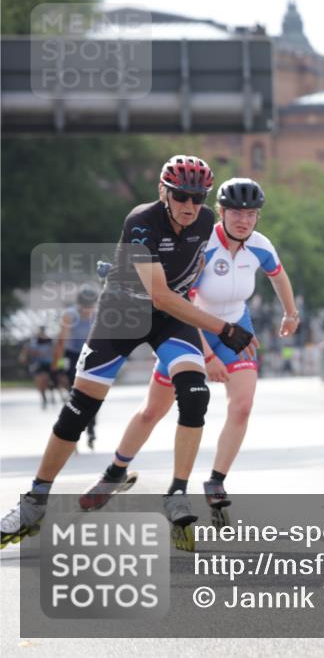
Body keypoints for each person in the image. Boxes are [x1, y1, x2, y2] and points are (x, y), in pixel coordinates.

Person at [0, 155, 257, 551]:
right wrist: (223, 328)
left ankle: (176, 493)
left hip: (169, 318)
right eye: (181, 196)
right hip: (124, 313)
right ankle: (35, 501)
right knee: (79, 410)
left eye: (198, 198)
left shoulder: (207, 222)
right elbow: (159, 294)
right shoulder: (141, 222)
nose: (190, 206)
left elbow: (219, 252)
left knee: (195, 394)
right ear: (163, 192)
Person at [80, 178, 298, 528]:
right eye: (236, 213)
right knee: (154, 410)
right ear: (222, 213)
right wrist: (207, 355)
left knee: (242, 405)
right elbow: (181, 302)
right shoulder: (202, 243)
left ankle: (215, 481)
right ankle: (115, 470)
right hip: (191, 327)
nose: (244, 221)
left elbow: (279, 276)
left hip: (237, 328)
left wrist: (290, 313)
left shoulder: (260, 245)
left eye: (252, 214)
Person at [52, 285, 100, 448]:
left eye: (90, 306)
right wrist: (57, 367)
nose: (87, 310)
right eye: (84, 307)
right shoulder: (70, 315)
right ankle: (72, 431)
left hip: (92, 355)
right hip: (73, 357)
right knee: (76, 396)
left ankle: (91, 429)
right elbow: (61, 343)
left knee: (94, 395)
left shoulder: (99, 314)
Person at [20, 327, 56, 409]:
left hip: (48, 363)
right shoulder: (33, 342)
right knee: (39, 381)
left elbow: (54, 350)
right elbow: (26, 351)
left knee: (47, 381)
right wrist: (24, 357)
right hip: (37, 364)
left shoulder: (49, 341)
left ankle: (51, 394)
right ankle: (43, 398)